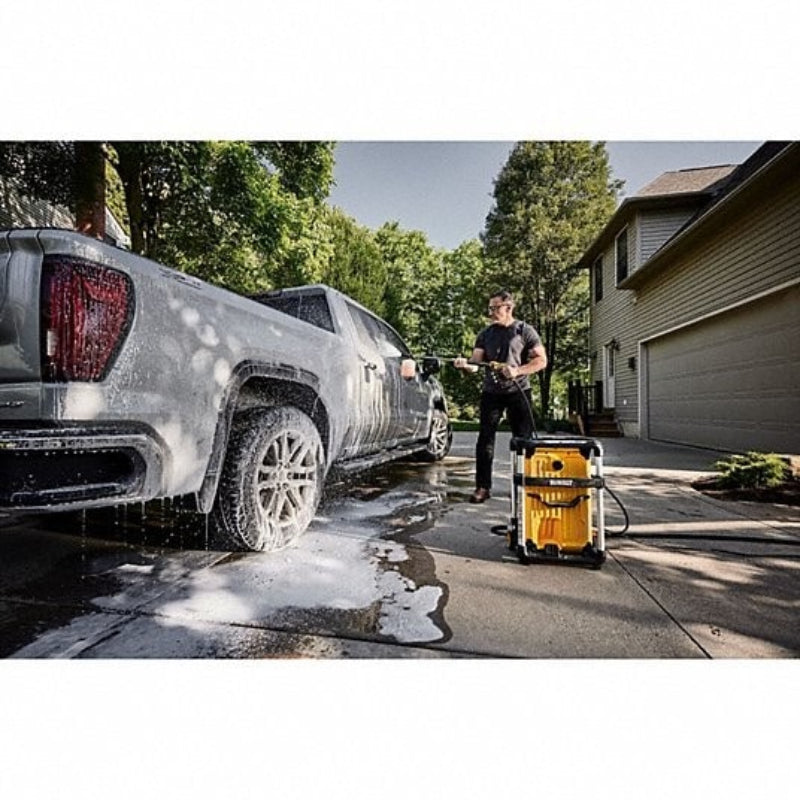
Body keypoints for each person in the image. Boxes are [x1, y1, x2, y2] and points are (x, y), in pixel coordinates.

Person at [453, 290, 547, 503]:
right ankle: (482, 487)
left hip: (518, 391)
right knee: (485, 441)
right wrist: (465, 365)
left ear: (509, 307)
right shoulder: (485, 334)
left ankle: (527, 486)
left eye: (495, 308)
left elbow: (541, 361)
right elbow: (476, 364)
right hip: (491, 394)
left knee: (524, 440)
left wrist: (517, 371)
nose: (491, 312)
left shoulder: (524, 331)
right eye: (490, 308)